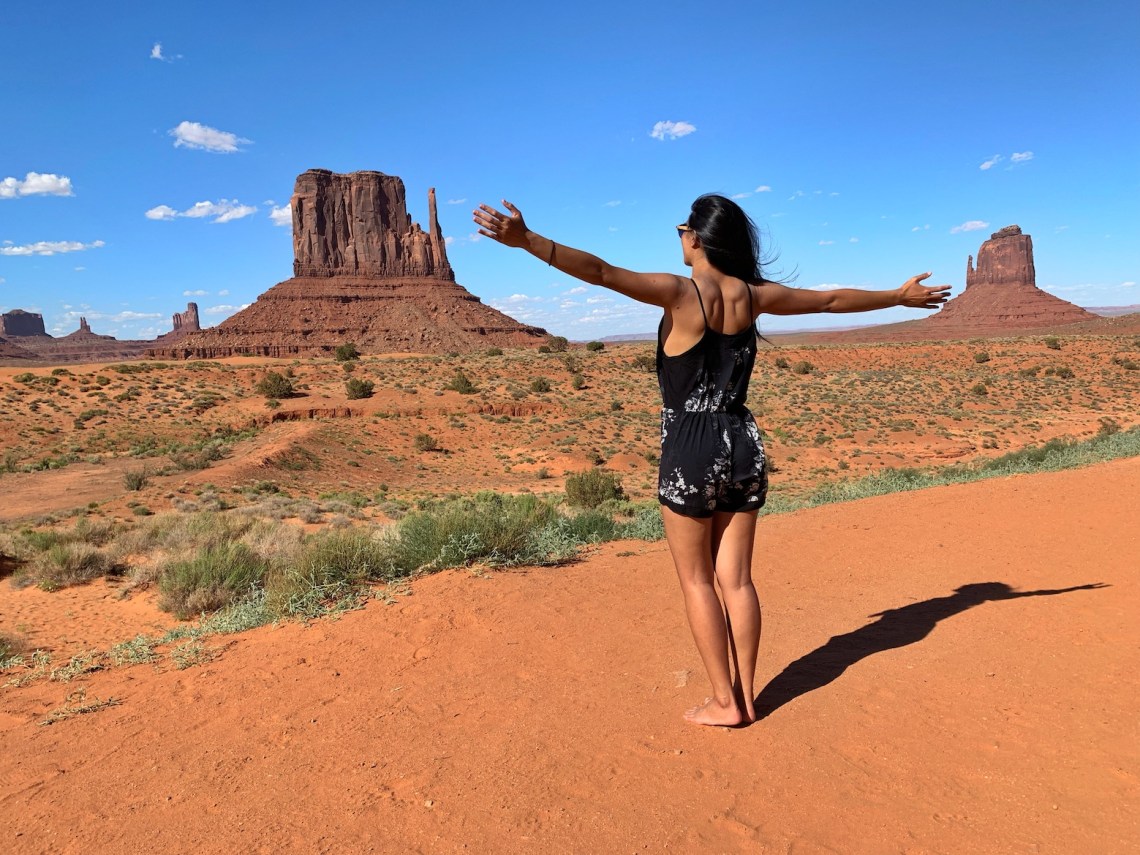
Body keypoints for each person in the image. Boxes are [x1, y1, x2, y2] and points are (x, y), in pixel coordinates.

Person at [473, 194, 949, 726]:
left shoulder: (680, 293)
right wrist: (896, 296)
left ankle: (726, 703)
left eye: (681, 228)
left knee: (697, 581)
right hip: (742, 436)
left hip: (691, 441)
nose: (678, 236)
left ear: (695, 237)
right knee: (737, 581)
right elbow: (830, 301)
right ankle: (747, 695)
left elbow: (603, 271)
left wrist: (527, 242)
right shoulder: (753, 296)